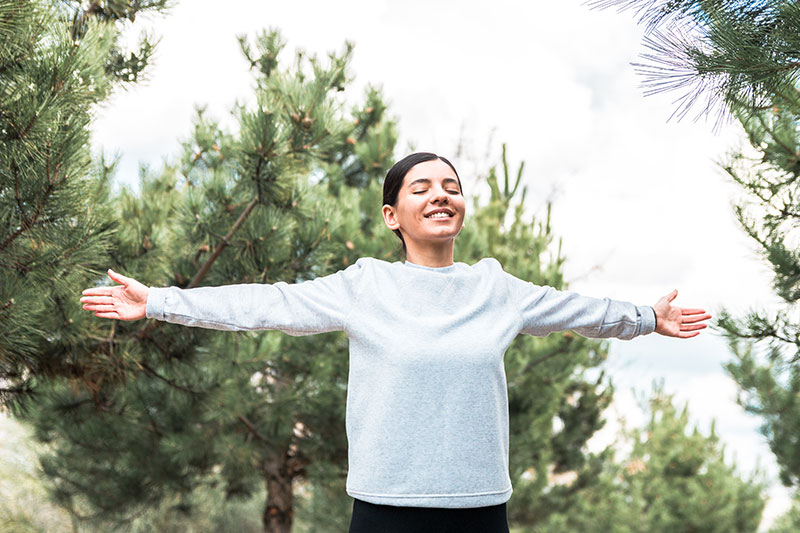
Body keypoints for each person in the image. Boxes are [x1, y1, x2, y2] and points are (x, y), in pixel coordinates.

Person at [80, 152, 711, 532]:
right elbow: (266, 304)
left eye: (452, 187)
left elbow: (580, 310)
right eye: (422, 188)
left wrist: (646, 318)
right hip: (386, 509)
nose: (442, 195)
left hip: (479, 508)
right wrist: (158, 301)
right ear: (392, 216)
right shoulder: (365, 287)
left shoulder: (496, 288)